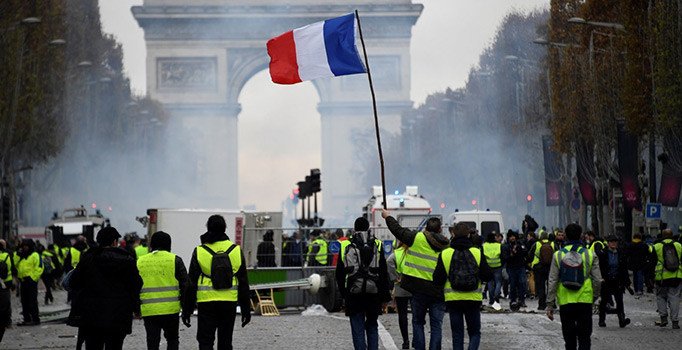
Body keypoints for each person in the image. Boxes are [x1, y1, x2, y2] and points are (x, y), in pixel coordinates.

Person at [382, 209, 449, 350]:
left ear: (426, 228)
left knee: (418, 322)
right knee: (436, 325)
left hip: (418, 290)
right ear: (440, 230)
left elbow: (398, 230)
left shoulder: (416, 238)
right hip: (438, 291)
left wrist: (388, 217)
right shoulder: (446, 246)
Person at [183, 214, 251, 350]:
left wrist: (187, 309)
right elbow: (243, 282)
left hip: (206, 303)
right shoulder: (236, 250)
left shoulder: (200, 251)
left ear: (208, 228)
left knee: (205, 341)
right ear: (225, 228)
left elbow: (191, 283)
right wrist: (246, 309)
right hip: (229, 301)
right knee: (225, 341)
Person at [68, 227, 142, 349]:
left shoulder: (88, 258)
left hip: (91, 316)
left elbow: (74, 283)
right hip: (118, 316)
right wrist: (136, 309)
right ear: (114, 242)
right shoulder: (126, 259)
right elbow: (135, 285)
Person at [434, 222, 492, 350]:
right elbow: (487, 275)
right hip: (473, 299)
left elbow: (437, 279)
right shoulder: (476, 252)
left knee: (457, 334)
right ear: (468, 234)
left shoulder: (445, 253)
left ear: (453, 233)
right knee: (475, 332)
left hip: (453, 300)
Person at [336, 217, 390, 350]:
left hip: (354, 293)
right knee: (372, 326)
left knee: (357, 328)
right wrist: (385, 296)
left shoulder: (345, 245)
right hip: (373, 293)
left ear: (354, 229)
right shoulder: (377, 244)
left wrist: (344, 294)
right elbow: (383, 272)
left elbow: (339, 273)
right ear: (368, 229)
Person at [546, 223, 602, 350]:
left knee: (569, 339)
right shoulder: (590, 254)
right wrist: (595, 296)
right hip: (585, 300)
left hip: (566, 301)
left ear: (565, 236)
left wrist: (550, 304)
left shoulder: (558, 255)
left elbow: (553, 281)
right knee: (584, 337)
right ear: (581, 236)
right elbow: (598, 279)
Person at [138, 231, 189, 350]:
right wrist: (185, 307)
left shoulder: (140, 261)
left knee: (152, 341)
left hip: (149, 310)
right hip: (171, 310)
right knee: (172, 339)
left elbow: (133, 285)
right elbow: (186, 284)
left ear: (151, 245)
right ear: (169, 245)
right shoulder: (175, 260)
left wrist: (136, 308)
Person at [595, 235, 630, 328]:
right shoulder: (603, 253)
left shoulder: (620, 253)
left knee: (619, 301)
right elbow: (599, 267)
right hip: (606, 280)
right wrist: (600, 278)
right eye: (611, 242)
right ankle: (601, 320)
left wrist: (627, 282)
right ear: (608, 243)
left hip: (618, 280)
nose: (614, 243)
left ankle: (622, 320)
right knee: (604, 301)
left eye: (615, 242)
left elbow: (624, 268)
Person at [651, 228, 681, 329]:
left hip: (661, 278)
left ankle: (663, 317)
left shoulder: (656, 246)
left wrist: (650, 277)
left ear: (662, 236)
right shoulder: (679, 245)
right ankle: (675, 321)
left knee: (661, 297)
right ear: (672, 235)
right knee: (675, 298)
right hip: (676, 276)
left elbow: (652, 263)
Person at [387, 239, 412, 349]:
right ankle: (416, 338)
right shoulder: (413, 252)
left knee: (402, 315)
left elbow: (388, 261)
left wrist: (395, 277)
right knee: (417, 316)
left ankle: (405, 341)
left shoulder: (396, 253)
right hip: (414, 286)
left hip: (400, 286)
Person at [16, 239, 43, 326]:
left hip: (31, 281)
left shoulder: (35, 255)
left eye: (26, 246)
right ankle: (27, 319)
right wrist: (18, 254)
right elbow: (15, 264)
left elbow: (39, 267)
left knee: (32, 301)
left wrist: (33, 278)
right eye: (23, 246)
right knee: (24, 301)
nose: (24, 248)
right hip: (23, 281)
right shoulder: (22, 256)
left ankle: (35, 319)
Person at [528, 232, 555, 311]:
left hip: (538, 268)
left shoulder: (536, 244)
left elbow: (530, 255)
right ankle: (552, 303)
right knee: (551, 286)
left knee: (540, 286)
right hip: (550, 267)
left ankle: (541, 304)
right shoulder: (553, 244)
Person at [625, 232, 651, 297]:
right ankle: (640, 290)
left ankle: (636, 289)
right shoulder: (644, 245)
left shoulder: (630, 245)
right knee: (640, 276)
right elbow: (648, 254)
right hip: (641, 263)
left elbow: (627, 254)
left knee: (635, 275)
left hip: (633, 263)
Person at [482, 233, 503, 309]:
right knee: (498, 282)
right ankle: (496, 295)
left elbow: (483, 256)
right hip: (497, 266)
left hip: (488, 266)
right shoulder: (498, 245)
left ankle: (491, 300)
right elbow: (502, 255)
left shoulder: (484, 245)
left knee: (490, 283)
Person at [0, 239, 14, 341]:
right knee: (6, 305)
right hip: (5, 284)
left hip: (4, 283)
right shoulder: (7, 255)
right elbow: (11, 267)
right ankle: (7, 321)